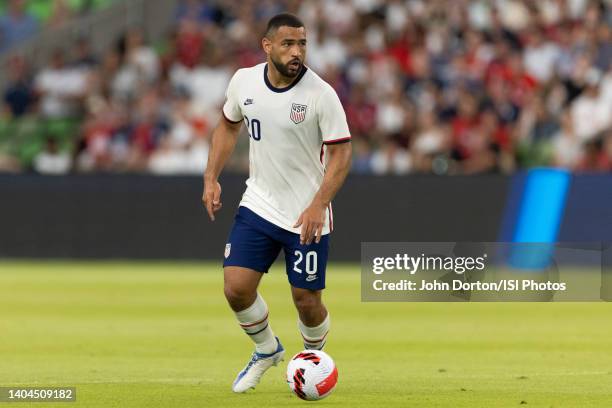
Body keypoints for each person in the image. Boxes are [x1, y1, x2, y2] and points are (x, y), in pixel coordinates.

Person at [202, 13, 352, 393]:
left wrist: (319, 204)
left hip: (307, 213)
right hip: (260, 202)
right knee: (235, 287)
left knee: (306, 300)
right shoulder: (244, 81)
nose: (297, 51)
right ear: (267, 46)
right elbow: (228, 126)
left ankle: (311, 361)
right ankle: (267, 350)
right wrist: (211, 177)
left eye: (302, 43)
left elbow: (341, 154)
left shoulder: (321, 94)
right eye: (288, 44)